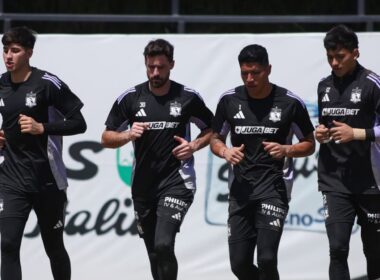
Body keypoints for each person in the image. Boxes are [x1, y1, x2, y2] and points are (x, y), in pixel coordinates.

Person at [101, 38, 213, 280]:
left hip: (177, 182)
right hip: (142, 185)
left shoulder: (187, 97)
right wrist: (128, 134)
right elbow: (106, 138)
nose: (155, 72)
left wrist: (193, 146)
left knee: (163, 244)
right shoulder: (130, 98)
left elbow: (213, 130)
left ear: (171, 65)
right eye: (151, 67)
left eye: (161, 67)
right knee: (153, 251)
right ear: (145, 64)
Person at [210, 44, 315, 280]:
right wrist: (225, 152)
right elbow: (215, 138)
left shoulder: (289, 102)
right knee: (239, 264)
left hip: (274, 188)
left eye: (255, 72)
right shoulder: (229, 100)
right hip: (240, 191)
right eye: (244, 73)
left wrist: (287, 149)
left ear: (268, 69)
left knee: (266, 258)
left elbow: (310, 143)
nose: (249, 78)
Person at [0, 26, 87, 280]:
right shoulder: (2, 85)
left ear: (29, 53)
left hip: (47, 180)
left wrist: (42, 128)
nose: (8, 56)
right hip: (11, 180)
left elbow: (79, 123)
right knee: (7, 245)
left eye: (15, 50)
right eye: (5, 50)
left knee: (54, 247)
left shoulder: (47, 83)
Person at [315, 24, 380, 280]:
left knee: (374, 251)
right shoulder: (324, 86)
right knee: (338, 248)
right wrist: (321, 133)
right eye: (330, 57)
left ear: (356, 53)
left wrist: (357, 133)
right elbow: (326, 125)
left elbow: (361, 131)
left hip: (371, 181)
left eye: (340, 57)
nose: (334, 63)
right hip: (334, 180)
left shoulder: (373, 84)